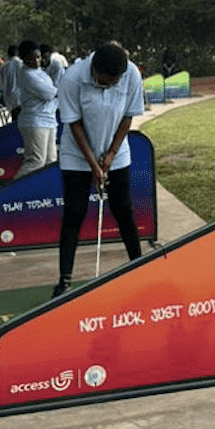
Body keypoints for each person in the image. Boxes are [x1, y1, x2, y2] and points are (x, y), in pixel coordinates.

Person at [52, 41, 146, 297]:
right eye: (107, 81)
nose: (112, 85)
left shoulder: (131, 74)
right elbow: (73, 123)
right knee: (74, 212)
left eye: (116, 81)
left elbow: (128, 116)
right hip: (77, 154)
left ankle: (140, 267)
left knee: (123, 208)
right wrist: (93, 164)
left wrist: (111, 154)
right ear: (94, 71)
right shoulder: (72, 79)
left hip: (117, 151)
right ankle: (64, 282)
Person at [16, 41, 58, 177]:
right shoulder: (27, 75)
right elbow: (49, 93)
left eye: (38, 57)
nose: (36, 61)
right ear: (23, 58)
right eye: (31, 58)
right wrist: (60, 91)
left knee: (51, 161)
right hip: (35, 121)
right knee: (36, 161)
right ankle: (15, 187)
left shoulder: (40, 72)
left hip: (48, 119)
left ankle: (46, 189)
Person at [1, 41, 24, 121]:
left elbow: (2, 84)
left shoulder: (4, 67)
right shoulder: (22, 64)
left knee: (15, 120)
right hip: (21, 98)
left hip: (10, 99)